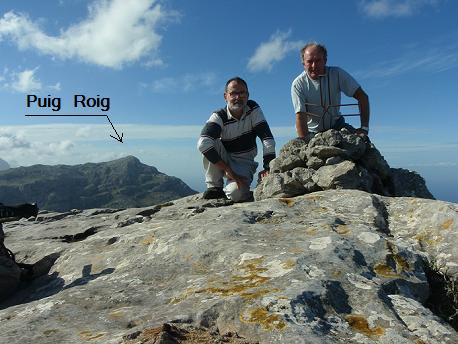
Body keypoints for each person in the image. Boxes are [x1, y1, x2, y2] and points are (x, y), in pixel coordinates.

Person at [197, 77, 276, 202]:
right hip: (224, 159)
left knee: (236, 195)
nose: (237, 97)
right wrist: (227, 169)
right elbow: (203, 143)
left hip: (244, 163)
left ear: (247, 95)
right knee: (210, 142)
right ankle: (215, 187)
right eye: (233, 93)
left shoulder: (253, 109)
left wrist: (268, 167)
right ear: (225, 96)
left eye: (241, 93)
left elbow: (267, 139)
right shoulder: (219, 116)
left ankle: (238, 190)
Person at [291, 42, 370, 139]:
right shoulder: (298, 84)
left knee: (363, 142)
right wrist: (305, 144)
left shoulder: (337, 74)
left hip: (338, 126)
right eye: (310, 61)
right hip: (312, 132)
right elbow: (300, 115)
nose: (314, 65)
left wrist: (364, 128)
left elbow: (362, 96)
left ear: (325, 60)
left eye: (318, 60)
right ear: (303, 63)